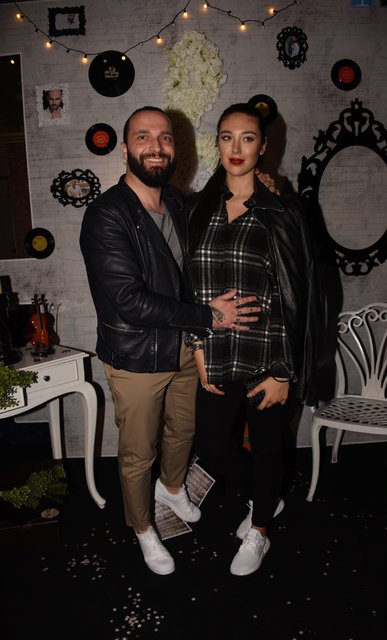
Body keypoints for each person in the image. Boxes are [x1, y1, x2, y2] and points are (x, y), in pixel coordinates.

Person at [79, 106, 261, 576]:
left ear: (174, 149)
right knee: (139, 453)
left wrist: (260, 183)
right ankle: (142, 527)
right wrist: (209, 316)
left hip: (183, 346)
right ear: (125, 150)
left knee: (184, 430)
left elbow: (222, 199)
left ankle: (173, 490)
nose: (155, 146)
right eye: (143, 137)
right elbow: (128, 301)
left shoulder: (178, 203)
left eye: (164, 137)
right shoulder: (106, 214)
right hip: (136, 356)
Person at [187, 103, 320, 576]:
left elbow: (299, 293)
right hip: (217, 351)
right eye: (227, 137)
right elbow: (189, 287)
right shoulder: (199, 208)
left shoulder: (282, 209)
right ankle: (265, 497)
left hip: (268, 352)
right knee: (211, 446)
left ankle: (259, 529)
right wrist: (198, 348)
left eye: (247, 138)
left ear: (263, 146)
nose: (237, 147)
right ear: (218, 144)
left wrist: (285, 371)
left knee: (267, 447)